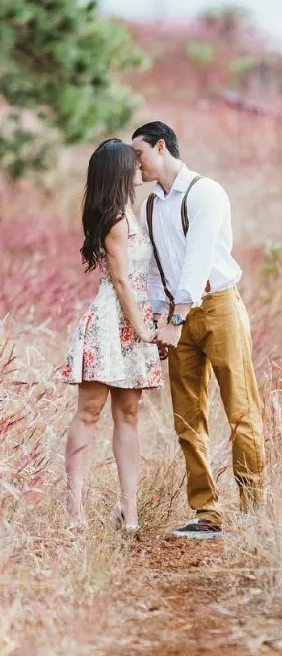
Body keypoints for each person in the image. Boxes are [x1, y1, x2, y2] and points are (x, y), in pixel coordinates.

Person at [132, 121, 265, 540]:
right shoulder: (150, 205)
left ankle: (253, 509)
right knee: (187, 416)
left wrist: (175, 318)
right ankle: (207, 512)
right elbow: (155, 269)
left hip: (218, 307)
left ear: (160, 146)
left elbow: (198, 258)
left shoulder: (205, 192)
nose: (135, 164)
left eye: (139, 154)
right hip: (175, 318)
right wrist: (159, 320)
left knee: (240, 409)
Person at [62, 139, 163, 531]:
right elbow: (120, 280)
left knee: (129, 414)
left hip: (132, 319)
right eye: (132, 162)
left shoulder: (130, 212)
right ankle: (75, 512)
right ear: (119, 172)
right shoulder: (116, 219)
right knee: (88, 412)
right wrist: (142, 329)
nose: (139, 166)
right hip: (111, 322)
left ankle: (129, 510)